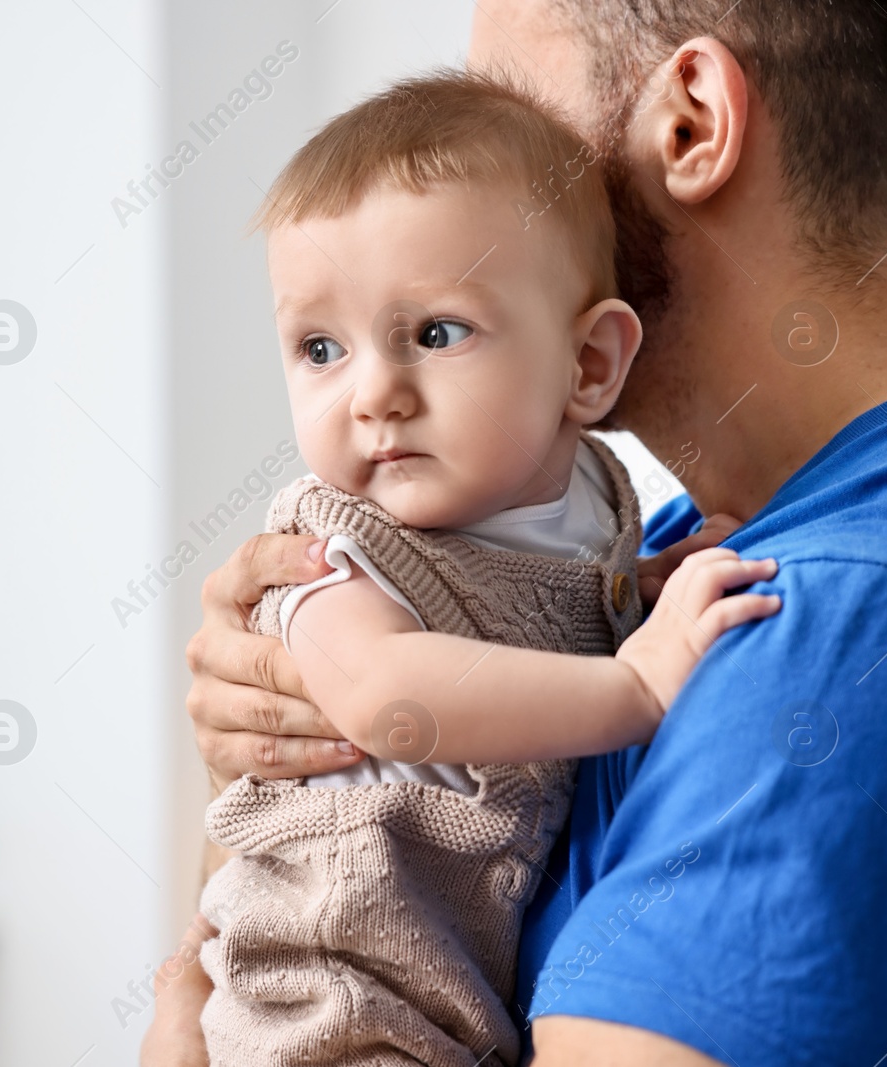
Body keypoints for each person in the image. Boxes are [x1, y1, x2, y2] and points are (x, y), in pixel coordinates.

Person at [146, 1, 887, 1064]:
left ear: (689, 124)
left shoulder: (847, 629)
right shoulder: (680, 552)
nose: (460, 153)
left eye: (501, 103)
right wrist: (260, 739)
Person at [198, 70, 778, 1067]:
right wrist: (635, 682)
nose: (373, 393)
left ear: (588, 365)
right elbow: (386, 693)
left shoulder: (590, 493)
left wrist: (635, 588)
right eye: (320, 347)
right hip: (335, 994)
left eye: (434, 333)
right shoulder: (328, 549)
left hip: (467, 988)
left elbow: (544, 595)